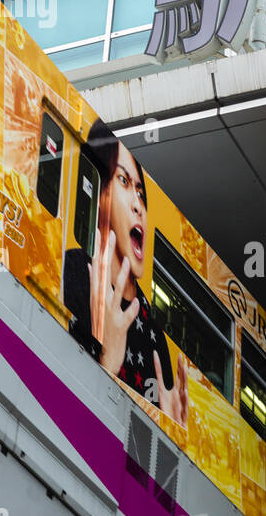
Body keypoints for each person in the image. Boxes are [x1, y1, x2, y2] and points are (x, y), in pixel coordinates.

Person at [63, 120, 186, 423]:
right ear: (101, 196)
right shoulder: (75, 272)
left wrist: (172, 434)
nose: (138, 206)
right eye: (124, 182)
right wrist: (108, 360)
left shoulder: (154, 336)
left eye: (142, 194)